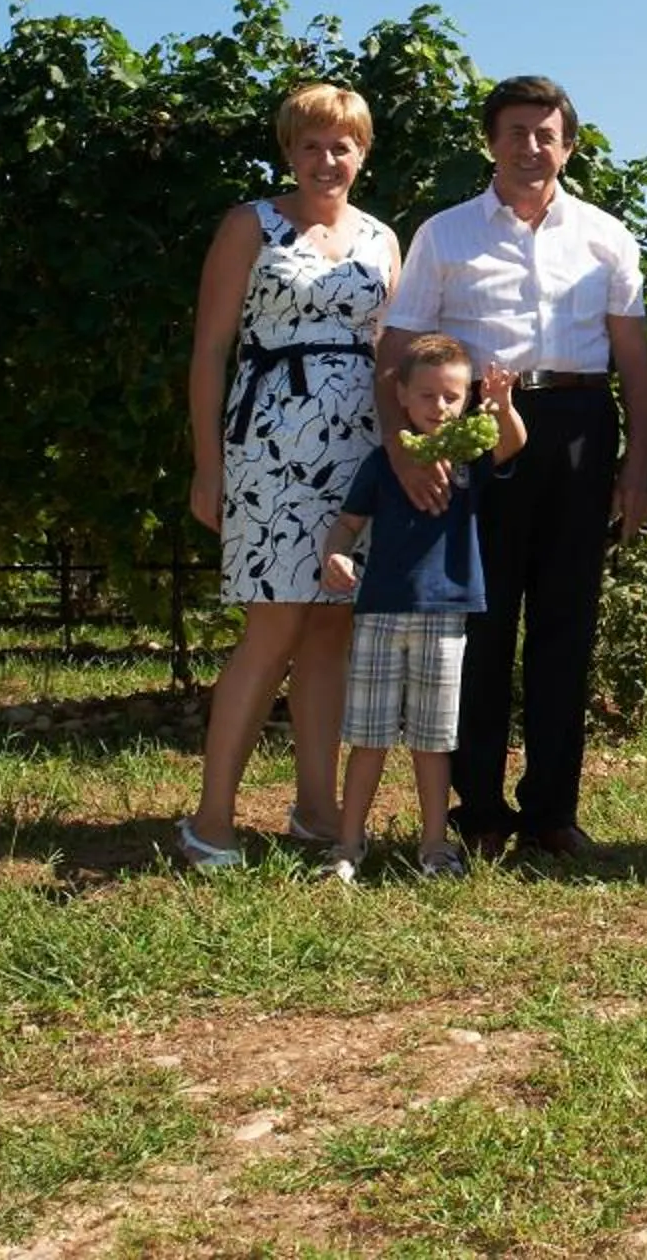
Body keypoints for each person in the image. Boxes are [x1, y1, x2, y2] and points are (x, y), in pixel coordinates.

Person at [375, 75, 647, 860]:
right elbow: (395, 350)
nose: (531, 147)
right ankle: (480, 810)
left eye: (545, 134)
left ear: (569, 145)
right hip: (478, 432)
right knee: (481, 622)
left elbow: (635, 362)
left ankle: (552, 813)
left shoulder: (606, 236)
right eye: (515, 133)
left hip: (577, 426)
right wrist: (402, 448)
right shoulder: (446, 235)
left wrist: (637, 467)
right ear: (490, 142)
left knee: (568, 621)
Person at [179, 82, 402, 870]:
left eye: (342, 145)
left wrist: (403, 457)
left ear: (362, 153)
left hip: (359, 449)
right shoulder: (251, 225)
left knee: (333, 627)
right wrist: (208, 464)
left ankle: (316, 808)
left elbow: (392, 354)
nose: (326, 160)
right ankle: (211, 819)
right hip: (270, 445)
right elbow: (211, 350)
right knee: (272, 626)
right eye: (311, 145)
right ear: (289, 151)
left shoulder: (383, 238)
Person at [316, 333, 526, 878]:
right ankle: (348, 844)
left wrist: (502, 405)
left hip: (446, 615)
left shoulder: (469, 457)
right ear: (402, 396)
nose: (439, 406)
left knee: (435, 741)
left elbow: (512, 442)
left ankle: (434, 844)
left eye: (452, 396)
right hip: (380, 612)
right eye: (427, 395)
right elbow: (348, 524)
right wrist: (335, 555)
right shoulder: (382, 463)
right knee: (368, 737)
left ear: (467, 399)